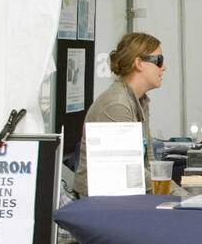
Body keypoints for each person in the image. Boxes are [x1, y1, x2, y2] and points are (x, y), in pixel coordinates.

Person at [72, 32, 185, 197]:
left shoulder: (140, 100)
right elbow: (131, 168)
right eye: (159, 61)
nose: (164, 67)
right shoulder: (117, 104)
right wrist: (182, 196)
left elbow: (148, 162)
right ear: (138, 63)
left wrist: (179, 193)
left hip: (118, 194)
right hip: (97, 201)